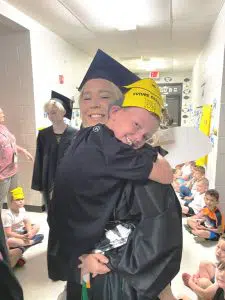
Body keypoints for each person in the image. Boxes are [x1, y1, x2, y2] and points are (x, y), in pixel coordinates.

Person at [49, 59, 182, 300]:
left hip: (116, 279)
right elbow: (61, 210)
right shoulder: (78, 144)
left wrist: (106, 258)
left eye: (105, 96)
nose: (94, 105)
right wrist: (76, 255)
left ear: (117, 106)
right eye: (86, 97)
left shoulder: (141, 162)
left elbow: (158, 235)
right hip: (81, 267)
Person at [31, 92, 77, 211]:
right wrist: (39, 183)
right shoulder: (43, 134)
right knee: (51, 211)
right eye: (49, 113)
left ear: (63, 112)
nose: (51, 116)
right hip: (49, 178)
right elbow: (39, 159)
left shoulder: (76, 134)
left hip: (70, 179)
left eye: (54, 112)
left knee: (69, 211)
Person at [0, 107, 33, 211]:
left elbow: (11, 144)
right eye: (1, 113)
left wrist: (23, 151)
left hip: (13, 169)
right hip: (2, 173)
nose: (3, 115)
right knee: (1, 199)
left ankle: (13, 222)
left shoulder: (3, 128)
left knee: (14, 196)